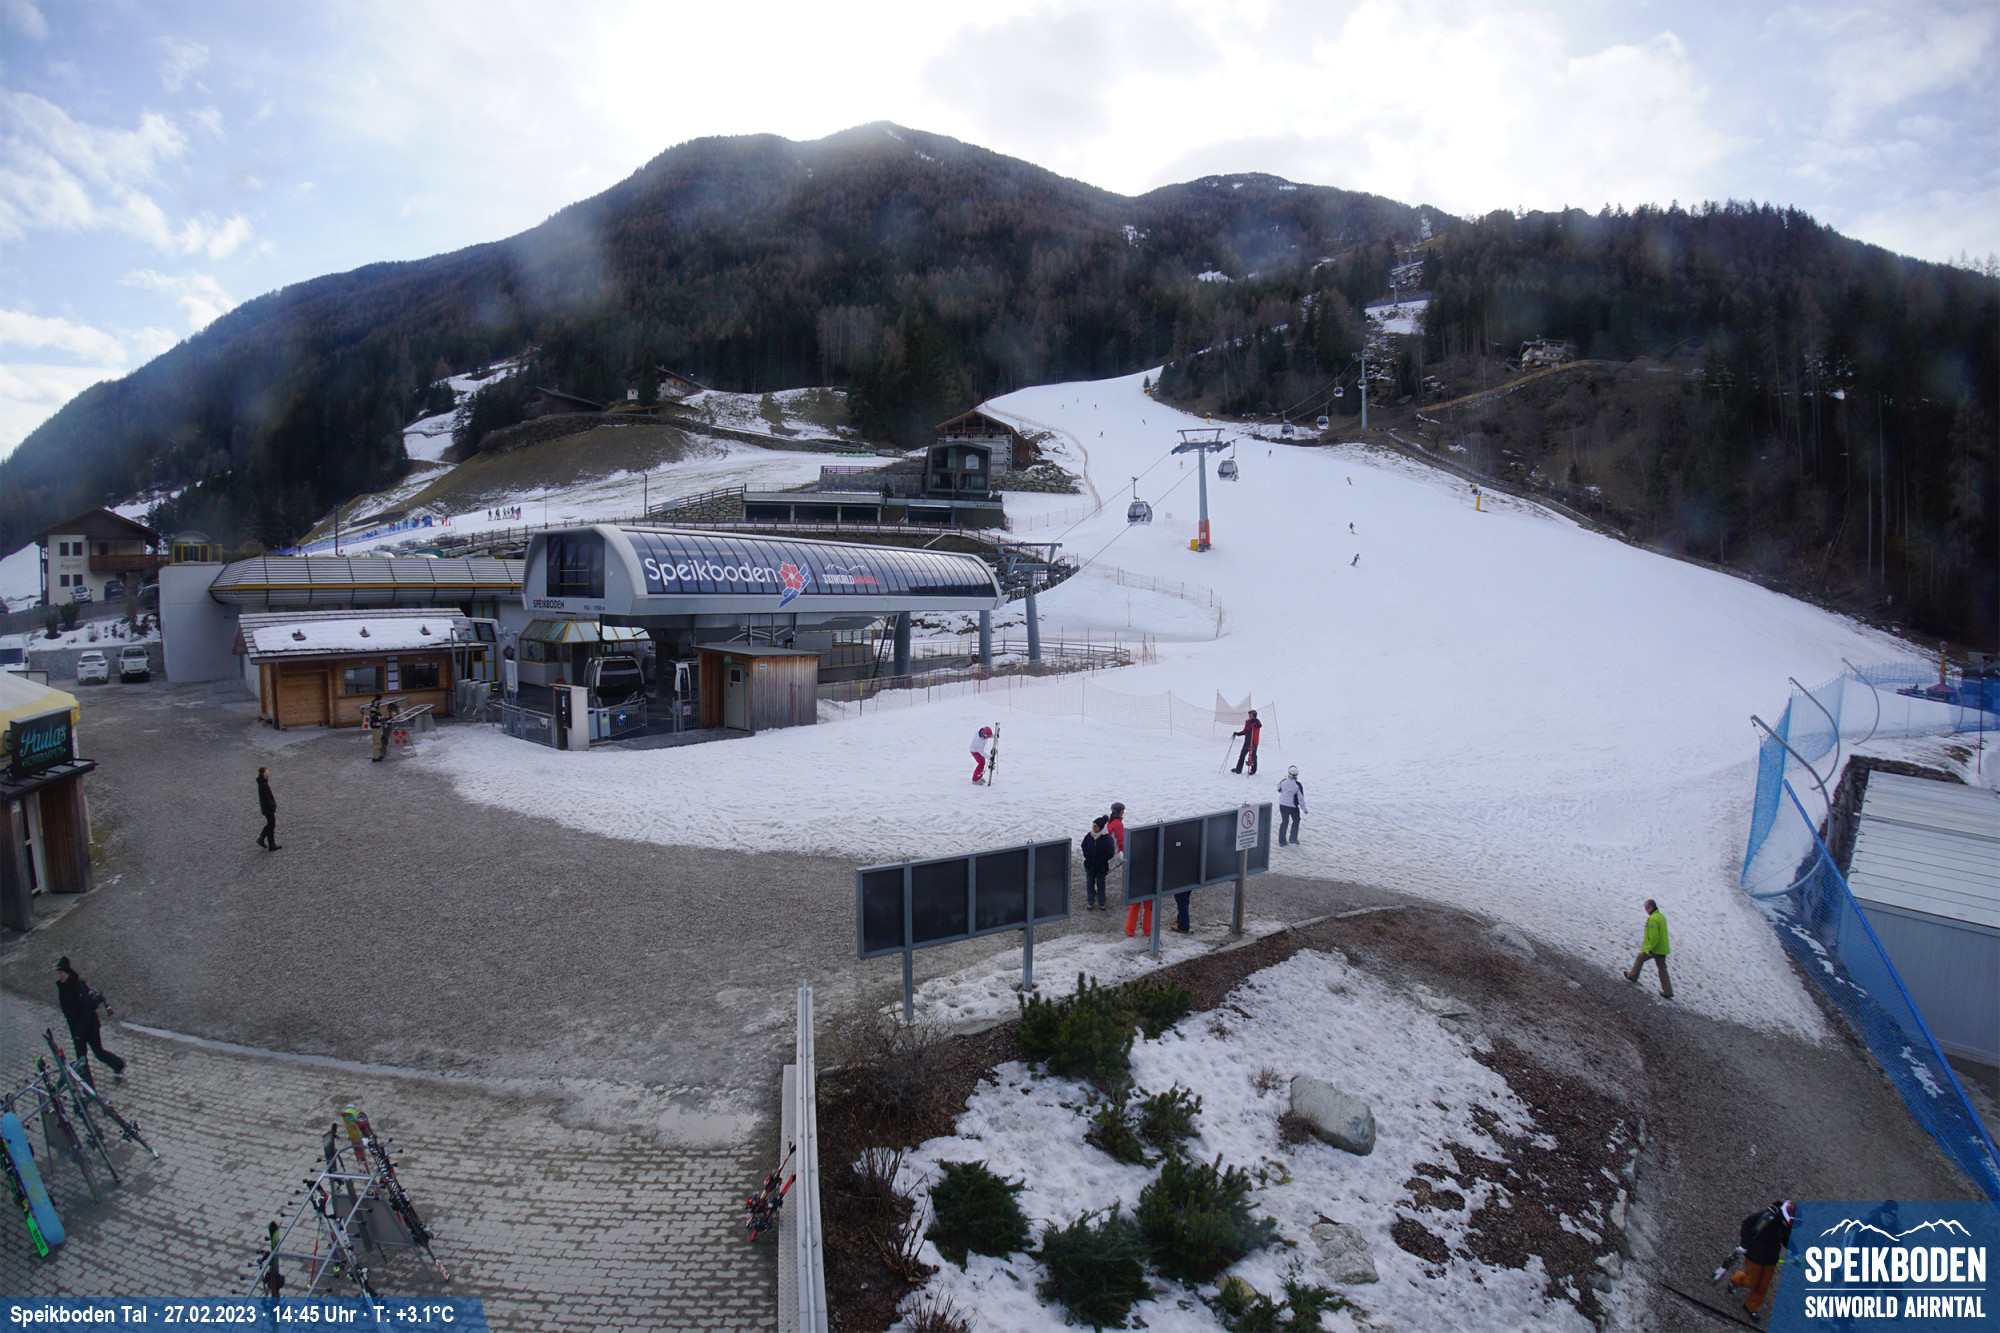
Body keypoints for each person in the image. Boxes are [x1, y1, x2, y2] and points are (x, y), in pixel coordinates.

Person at [1716, 1200, 1795, 1322]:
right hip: (1755, 1255)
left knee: (1763, 1286)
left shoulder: (1785, 1225)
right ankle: (1736, 1280)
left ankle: (1751, 1307)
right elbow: (1747, 1224)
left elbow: (1785, 1239)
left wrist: (1795, 1252)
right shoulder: (1767, 1216)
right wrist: (1745, 1244)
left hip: (1771, 1258)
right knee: (1751, 1281)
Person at [56, 957, 124, 1085]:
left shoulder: (78, 987)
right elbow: (68, 1014)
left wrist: (78, 1032)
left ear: (68, 973)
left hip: (90, 1027)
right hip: (77, 1031)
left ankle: (118, 1064)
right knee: (81, 1061)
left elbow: (86, 1012)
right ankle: (88, 1089)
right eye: (59, 974)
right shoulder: (62, 988)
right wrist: (75, 1033)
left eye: (62, 973)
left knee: (98, 1052)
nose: (60, 976)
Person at [1625, 899, 1673, 998]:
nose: (1646, 910)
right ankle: (1668, 991)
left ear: (1651, 907)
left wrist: (1649, 949)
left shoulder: (1653, 919)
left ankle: (1633, 976)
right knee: (1662, 969)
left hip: (1655, 948)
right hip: (1663, 949)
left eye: (1646, 908)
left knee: (1640, 958)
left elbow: (1654, 936)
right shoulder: (1661, 916)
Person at [1081, 817, 1115, 911]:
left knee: (1101, 884)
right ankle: (1090, 902)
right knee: (1090, 884)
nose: (1093, 828)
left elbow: (1110, 852)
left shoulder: (1107, 838)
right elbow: (1083, 845)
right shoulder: (1089, 836)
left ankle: (1102, 902)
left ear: (1101, 827)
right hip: (1089, 865)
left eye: (1095, 826)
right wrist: (1087, 855)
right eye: (1093, 826)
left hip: (1101, 867)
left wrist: (1101, 860)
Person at [1277, 766, 1306, 846]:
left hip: (1282, 805)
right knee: (1296, 820)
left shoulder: (1283, 781)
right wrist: (1304, 809)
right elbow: (1300, 798)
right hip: (1293, 806)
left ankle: (1282, 841)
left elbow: (1278, 789)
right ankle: (1293, 838)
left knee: (1284, 822)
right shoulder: (1297, 785)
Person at [256, 766, 281, 850]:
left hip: (266, 808)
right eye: (267, 771)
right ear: (264, 773)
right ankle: (271, 844)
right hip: (268, 809)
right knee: (271, 824)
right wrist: (272, 805)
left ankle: (262, 839)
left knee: (270, 824)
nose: (268, 772)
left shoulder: (262, 783)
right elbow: (267, 798)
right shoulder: (264, 785)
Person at [1231, 709, 1262, 775]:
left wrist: (1254, 721)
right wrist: (1238, 733)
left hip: (1253, 742)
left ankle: (1253, 770)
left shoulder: (1256, 722)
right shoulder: (1248, 722)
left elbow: (1259, 725)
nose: (1249, 716)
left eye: (1251, 715)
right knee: (1242, 755)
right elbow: (1245, 731)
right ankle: (1238, 769)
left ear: (1254, 715)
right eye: (1249, 715)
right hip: (1247, 742)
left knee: (1253, 757)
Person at [367, 694, 389, 762]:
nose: (381, 701)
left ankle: (377, 755)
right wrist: (382, 717)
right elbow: (373, 716)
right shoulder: (374, 706)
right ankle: (375, 757)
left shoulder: (376, 706)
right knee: (376, 741)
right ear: (378, 700)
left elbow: (377, 715)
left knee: (378, 741)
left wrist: (383, 716)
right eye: (381, 699)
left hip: (377, 726)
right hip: (375, 726)